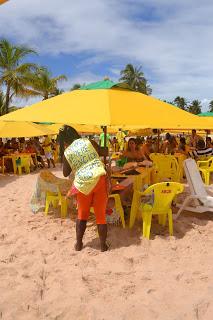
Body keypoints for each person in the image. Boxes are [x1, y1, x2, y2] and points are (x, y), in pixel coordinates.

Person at [60, 125, 109, 252]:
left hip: (83, 184)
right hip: (99, 177)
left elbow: (65, 173)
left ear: (64, 140)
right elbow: (105, 152)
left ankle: (79, 244)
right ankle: (103, 245)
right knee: (100, 215)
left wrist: (68, 155)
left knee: (82, 215)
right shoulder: (89, 141)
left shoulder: (67, 152)